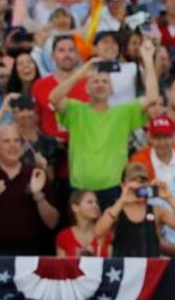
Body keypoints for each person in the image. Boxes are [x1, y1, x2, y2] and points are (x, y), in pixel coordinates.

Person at [51, 39, 161, 207]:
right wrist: (81, 73)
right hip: (80, 190)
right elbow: (54, 98)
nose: (100, 85)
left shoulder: (123, 112)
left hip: (113, 189)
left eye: (105, 82)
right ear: (86, 88)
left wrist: (147, 60)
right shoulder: (75, 109)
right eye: (95, 81)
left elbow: (153, 97)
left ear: (111, 89)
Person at [0, 125, 60, 255]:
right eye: (6, 141)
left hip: (30, 254)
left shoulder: (35, 173)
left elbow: (52, 222)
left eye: (16, 141)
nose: (13, 145)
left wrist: (38, 195)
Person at [95, 162, 175, 258]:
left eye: (143, 180)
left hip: (151, 270)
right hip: (123, 270)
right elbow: (98, 232)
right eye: (134, 180)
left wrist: (170, 198)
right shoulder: (116, 210)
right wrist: (122, 201)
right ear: (124, 184)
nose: (139, 185)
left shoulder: (157, 211)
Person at [55, 190, 112, 257]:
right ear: (75, 207)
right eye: (90, 202)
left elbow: (110, 264)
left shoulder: (105, 234)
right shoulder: (63, 236)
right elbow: (61, 266)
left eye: (97, 203)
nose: (95, 206)